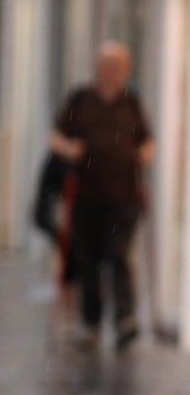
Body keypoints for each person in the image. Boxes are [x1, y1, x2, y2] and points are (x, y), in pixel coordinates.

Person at [49, 41, 155, 352]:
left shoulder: (131, 102)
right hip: (85, 195)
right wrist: (69, 148)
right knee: (88, 259)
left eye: (118, 66)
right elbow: (55, 136)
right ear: (97, 68)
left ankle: (125, 320)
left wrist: (145, 154)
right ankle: (91, 321)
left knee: (119, 256)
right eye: (107, 65)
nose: (111, 71)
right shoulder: (80, 99)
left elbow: (148, 141)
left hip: (124, 195)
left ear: (127, 70)